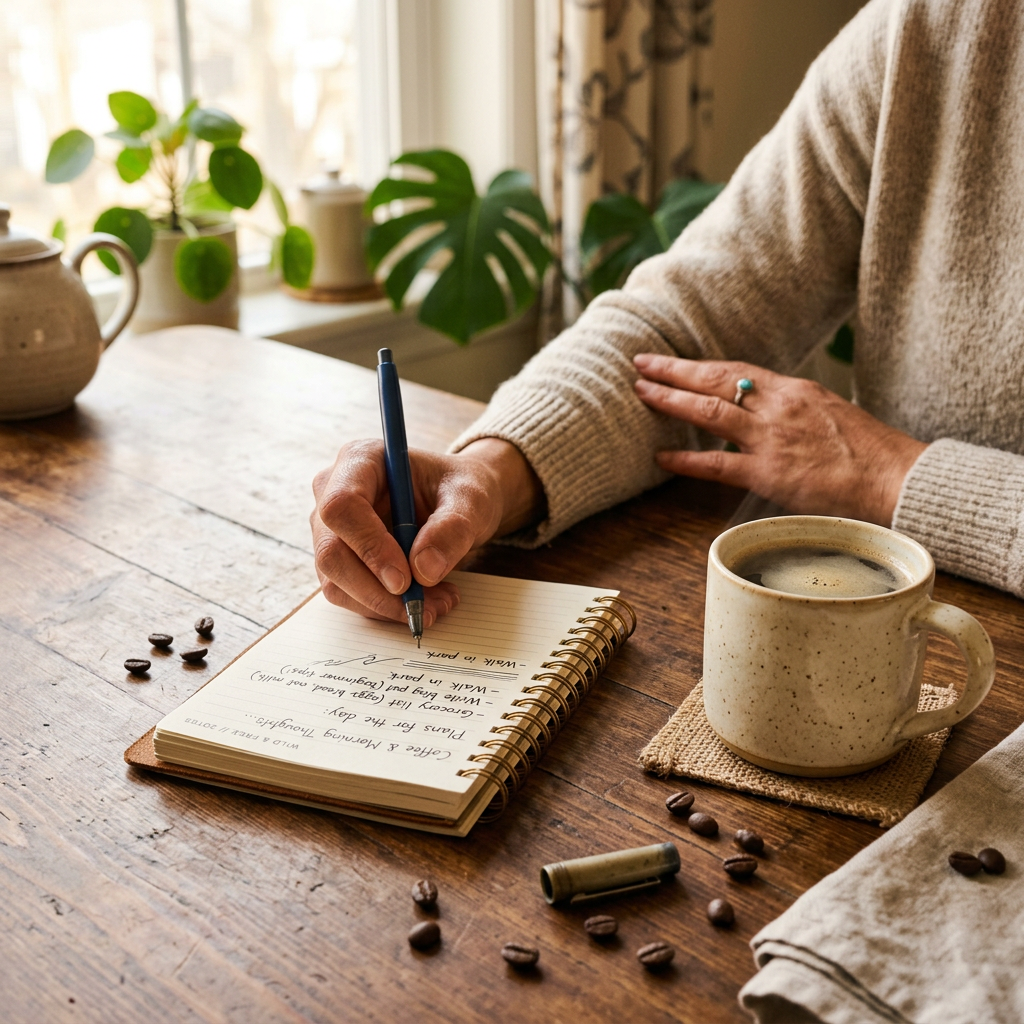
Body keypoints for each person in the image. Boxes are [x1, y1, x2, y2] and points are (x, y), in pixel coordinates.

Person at [311, 0, 1024, 628]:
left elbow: (879, 469)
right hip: (881, 629)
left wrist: (896, 476)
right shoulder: (930, 25)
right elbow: (680, 328)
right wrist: (490, 475)